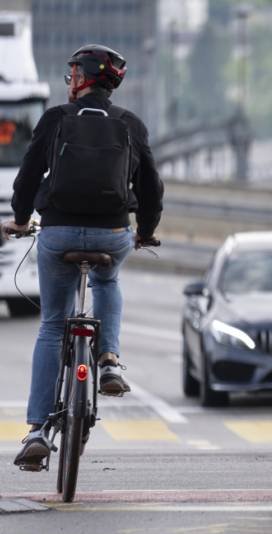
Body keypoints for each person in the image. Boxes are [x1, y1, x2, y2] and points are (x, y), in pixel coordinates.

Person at [1, 44, 163, 470]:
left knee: (53, 324)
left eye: (74, 73)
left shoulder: (55, 118)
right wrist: (144, 231)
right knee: (108, 281)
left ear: (87, 77)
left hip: (57, 232)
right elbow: (151, 186)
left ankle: (36, 429)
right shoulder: (130, 123)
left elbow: (29, 174)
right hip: (113, 233)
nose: (69, 80)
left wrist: (20, 219)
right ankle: (108, 360)